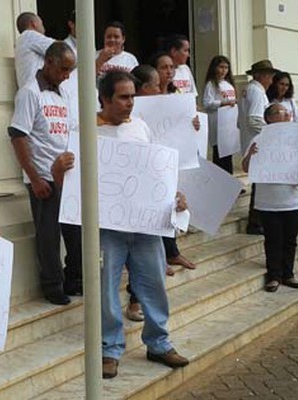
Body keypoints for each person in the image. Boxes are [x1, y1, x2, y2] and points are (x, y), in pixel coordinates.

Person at [97, 71, 189, 379]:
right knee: (107, 290)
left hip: (146, 225)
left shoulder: (141, 127)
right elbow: (68, 180)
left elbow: (156, 172)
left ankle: (159, 343)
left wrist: (174, 196)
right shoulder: (85, 130)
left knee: (153, 284)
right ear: (105, 99)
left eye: (133, 96)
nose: (130, 104)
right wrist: (61, 167)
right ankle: (110, 349)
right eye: (123, 97)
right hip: (109, 227)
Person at [8, 42, 82, 305]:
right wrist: (35, 178)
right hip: (43, 176)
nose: (67, 75)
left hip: (67, 174)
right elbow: (17, 135)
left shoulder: (62, 94)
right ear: (48, 62)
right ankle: (52, 285)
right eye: (63, 69)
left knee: (74, 231)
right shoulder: (29, 92)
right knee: (49, 235)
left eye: (70, 70)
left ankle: (74, 278)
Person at [242, 103, 298, 293]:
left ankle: (289, 274)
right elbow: (246, 168)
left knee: (290, 240)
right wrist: (250, 156)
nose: (287, 116)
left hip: (293, 197)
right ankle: (274, 276)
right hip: (269, 200)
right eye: (282, 113)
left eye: (288, 113)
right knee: (273, 239)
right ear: (269, 118)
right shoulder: (259, 138)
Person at [147, 54, 198, 273]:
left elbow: (184, 124)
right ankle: (161, 256)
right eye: (163, 67)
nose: (169, 71)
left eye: (171, 67)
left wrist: (193, 124)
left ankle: (172, 252)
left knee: (171, 204)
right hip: (152, 160)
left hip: (171, 158)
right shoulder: (145, 98)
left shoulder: (177, 94)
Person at [266, 71, 298, 228]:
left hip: (293, 142)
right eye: (281, 84)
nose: (284, 88)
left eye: (287, 85)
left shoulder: (291, 101)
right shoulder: (269, 101)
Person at [238, 59, 279, 235]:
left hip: (252, 140)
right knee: (260, 183)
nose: (271, 80)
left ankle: (257, 220)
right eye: (269, 76)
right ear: (261, 75)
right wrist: (272, 132)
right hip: (258, 142)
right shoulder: (256, 91)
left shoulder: (251, 90)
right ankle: (255, 221)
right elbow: (254, 119)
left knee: (259, 181)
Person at [202, 55, 237, 174]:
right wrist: (223, 103)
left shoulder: (229, 85)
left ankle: (231, 182)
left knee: (228, 154)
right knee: (219, 155)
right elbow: (207, 103)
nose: (223, 70)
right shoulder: (211, 84)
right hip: (217, 124)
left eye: (226, 67)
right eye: (221, 67)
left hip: (229, 124)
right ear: (214, 68)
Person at [14, 12, 55, 88]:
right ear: (33, 24)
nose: (44, 28)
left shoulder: (22, 40)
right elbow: (61, 49)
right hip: (37, 92)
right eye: (41, 23)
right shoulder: (30, 35)